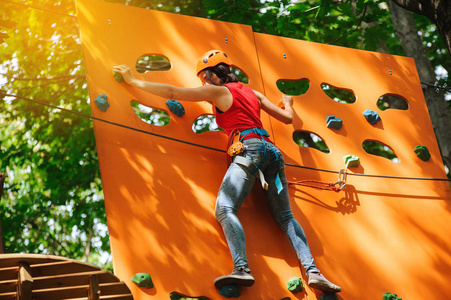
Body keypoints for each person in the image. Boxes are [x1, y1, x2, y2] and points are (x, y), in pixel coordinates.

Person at [113, 50, 341, 294]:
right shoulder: (253, 93)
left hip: (249, 149)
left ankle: (242, 269)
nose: (202, 84)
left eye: (203, 78)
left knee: (225, 208)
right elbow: (286, 118)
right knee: (286, 217)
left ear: (211, 75)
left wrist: (132, 80)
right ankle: (314, 272)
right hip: (272, 153)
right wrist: (287, 103)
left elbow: (172, 93)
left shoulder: (219, 91)